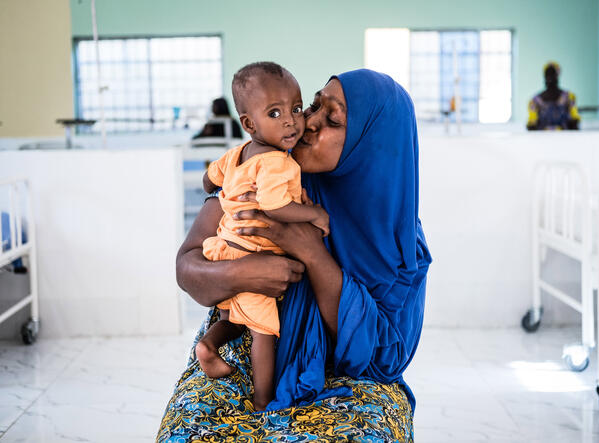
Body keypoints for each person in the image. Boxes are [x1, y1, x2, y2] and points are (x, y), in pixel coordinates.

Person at [157, 69, 432, 441]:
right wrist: (244, 274)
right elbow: (186, 266)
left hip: (347, 378)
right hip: (242, 352)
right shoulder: (266, 173)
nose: (310, 121)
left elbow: (385, 357)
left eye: (331, 118)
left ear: (371, 144)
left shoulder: (399, 242)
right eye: (315, 105)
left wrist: (309, 251)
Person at [197, 62, 329, 411]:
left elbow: (210, 179)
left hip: (223, 246)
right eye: (275, 113)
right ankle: (262, 399)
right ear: (249, 123)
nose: (290, 120)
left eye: (296, 109)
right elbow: (275, 206)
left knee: (232, 319)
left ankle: (208, 347)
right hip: (249, 255)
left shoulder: (238, 153)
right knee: (263, 332)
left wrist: (219, 187)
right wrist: (314, 213)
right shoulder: (278, 163)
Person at [527, 61, 580, 130]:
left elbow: (574, 117)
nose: (550, 78)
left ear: (557, 75)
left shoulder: (569, 97)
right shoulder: (535, 101)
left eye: (552, 74)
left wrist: (573, 123)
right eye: (547, 74)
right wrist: (532, 125)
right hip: (542, 138)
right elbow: (532, 121)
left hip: (565, 138)